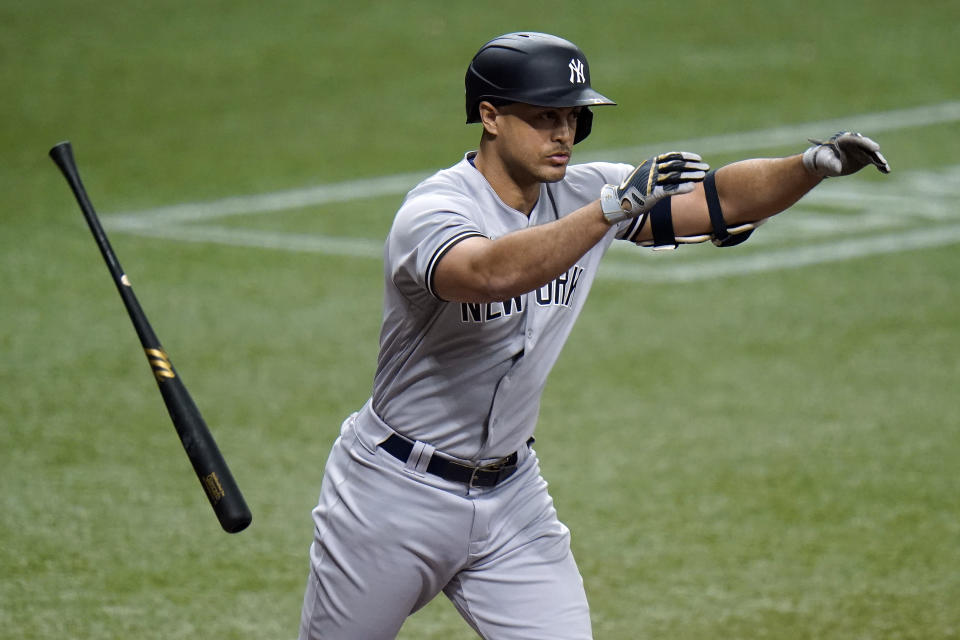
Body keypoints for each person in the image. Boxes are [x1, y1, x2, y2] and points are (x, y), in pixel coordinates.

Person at [298, 31, 890, 639]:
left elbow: (719, 200)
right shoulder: (436, 211)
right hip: (392, 496)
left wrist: (810, 165)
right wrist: (610, 210)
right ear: (490, 116)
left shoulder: (586, 192)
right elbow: (488, 272)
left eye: (574, 118)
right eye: (544, 116)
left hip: (511, 499)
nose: (564, 134)